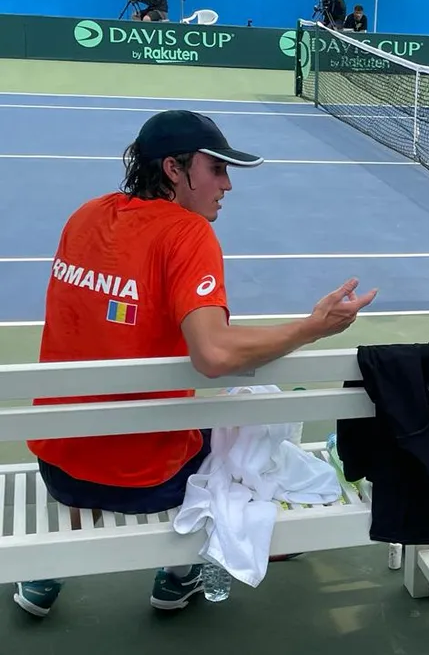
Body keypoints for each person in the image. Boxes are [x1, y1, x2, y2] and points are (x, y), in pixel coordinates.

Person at [14, 110, 377, 618]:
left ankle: (47, 571)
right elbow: (214, 355)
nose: (227, 185)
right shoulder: (187, 233)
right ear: (174, 168)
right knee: (242, 437)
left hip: (59, 465)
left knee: (104, 422)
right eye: (217, 169)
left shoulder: (85, 216)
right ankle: (179, 574)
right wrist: (312, 327)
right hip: (146, 477)